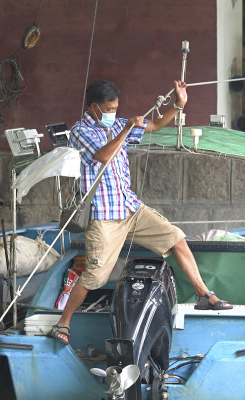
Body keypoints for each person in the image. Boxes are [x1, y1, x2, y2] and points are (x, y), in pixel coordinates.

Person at [48, 79, 232, 344]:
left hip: (131, 207)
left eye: (116, 108)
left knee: (176, 238)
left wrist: (178, 105)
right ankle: (63, 322)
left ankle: (203, 294)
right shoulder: (80, 130)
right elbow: (102, 156)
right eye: (109, 109)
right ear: (94, 108)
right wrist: (124, 130)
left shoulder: (119, 123)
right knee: (96, 277)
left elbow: (155, 125)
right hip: (104, 216)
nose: (113, 113)